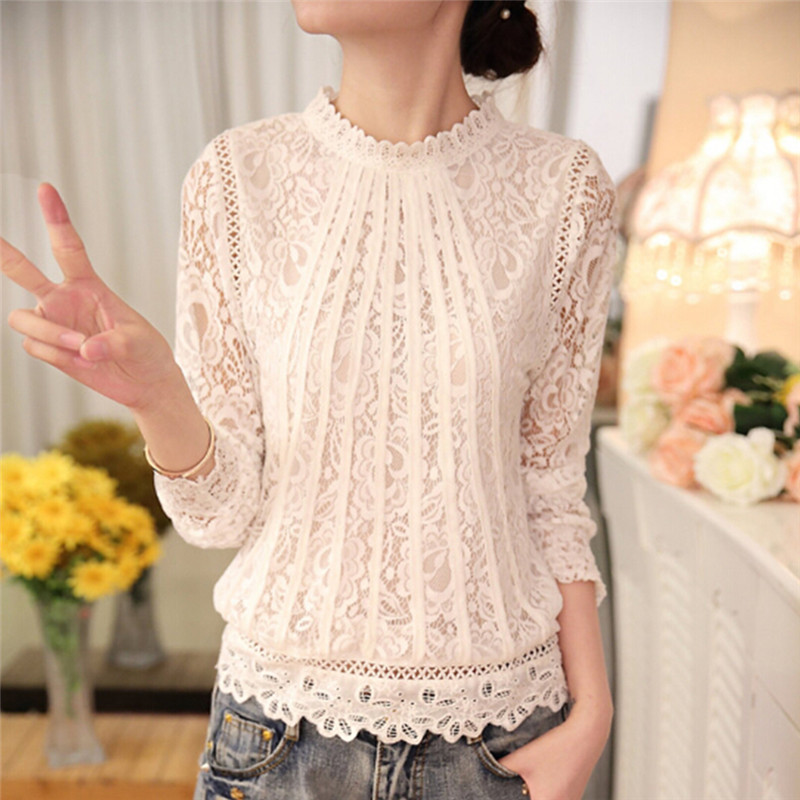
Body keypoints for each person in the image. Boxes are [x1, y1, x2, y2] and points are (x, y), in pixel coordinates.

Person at [2, 1, 616, 797]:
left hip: (502, 742)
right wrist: (158, 397)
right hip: (280, 741)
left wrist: (592, 712)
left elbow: (552, 485)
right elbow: (220, 516)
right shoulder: (237, 178)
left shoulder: (565, 189)